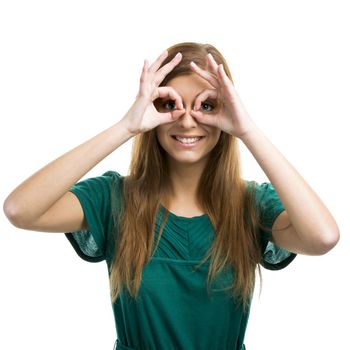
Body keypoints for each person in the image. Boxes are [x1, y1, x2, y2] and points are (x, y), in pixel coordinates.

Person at [3, 42, 340, 350]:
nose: (189, 120)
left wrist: (248, 130)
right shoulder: (114, 198)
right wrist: (126, 126)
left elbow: (323, 237)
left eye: (207, 105)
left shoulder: (250, 205)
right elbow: (20, 210)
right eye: (171, 104)